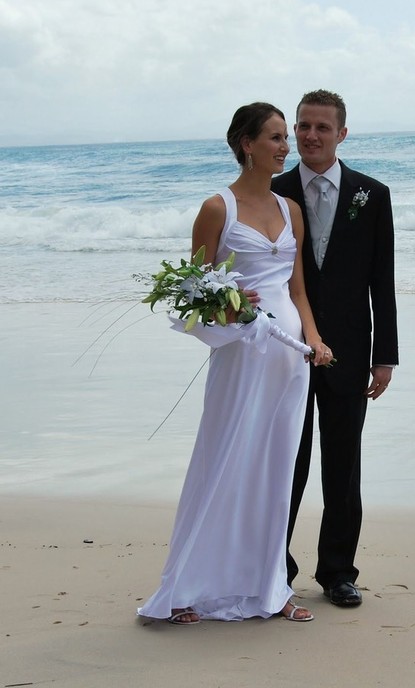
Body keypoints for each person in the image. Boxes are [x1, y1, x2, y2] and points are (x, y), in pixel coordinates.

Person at [138, 102, 333, 625]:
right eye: (274, 137)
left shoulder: (290, 209)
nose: (284, 145)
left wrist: (314, 339)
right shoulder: (217, 208)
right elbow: (193, 287)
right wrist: (231, 306)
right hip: (242, 356)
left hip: (288, 357)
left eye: (284, 138)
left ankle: (271, 589)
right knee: (223, 461)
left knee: (275, 470)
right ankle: (185, 587)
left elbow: (297, 289)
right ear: (246, 144)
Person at [271, 90, 399, 607]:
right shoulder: (273, 192)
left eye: (322, 127)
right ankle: (275, 565)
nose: (310, 136)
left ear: (342, 133)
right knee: (285, 463)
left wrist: (384, 355)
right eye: (303, 126)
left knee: (343, 467)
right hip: (284, 351)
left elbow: (381, 280)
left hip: (349, 352)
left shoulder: (373, 193)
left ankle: (338, 572)